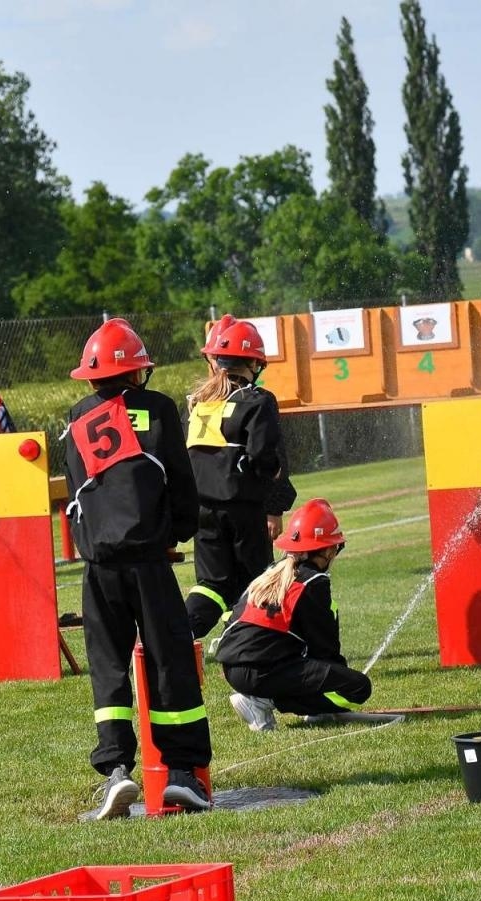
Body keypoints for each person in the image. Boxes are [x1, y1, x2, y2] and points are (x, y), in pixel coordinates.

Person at [63, 317, 211, 817]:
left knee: (108, 668)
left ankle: (116, 773)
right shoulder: (160, 409)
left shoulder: (76, 417)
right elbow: (181, 484)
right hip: (149, 560)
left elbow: (77, 494)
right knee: (169, 661)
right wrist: (178, 531)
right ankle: (184, 774)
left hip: (99, 565)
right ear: (136, 372)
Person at [183, 314, 296, 641]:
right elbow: (264, 455)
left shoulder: (198, 402)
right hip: (243, 508)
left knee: (211, 585)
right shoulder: (257, 400)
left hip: (202, 510)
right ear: (254, 363)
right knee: (256, 579)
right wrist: (272, 479)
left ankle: (179, 636)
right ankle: (245, 642)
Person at [215, 499, 372, 732]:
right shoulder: (314, 582)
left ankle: (265, 699)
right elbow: (324, 648)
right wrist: (337, 678)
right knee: (359, 687)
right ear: (328, 550)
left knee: (315, 669)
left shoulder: (271, 572)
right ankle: (263, 702)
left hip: (232, 668)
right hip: (260, 672)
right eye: (337, 547)